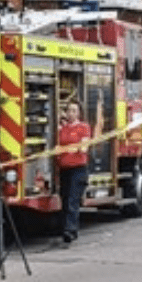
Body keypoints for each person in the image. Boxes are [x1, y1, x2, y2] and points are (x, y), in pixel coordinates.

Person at [57, 99, 91, 244]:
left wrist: (72, 148)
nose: (71, 113)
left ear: (79, 113)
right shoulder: (62, 129)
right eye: (69, 110)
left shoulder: (83, 127)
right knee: (65, 199)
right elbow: (57, 147)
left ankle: (70, 231)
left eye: (74, 111)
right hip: (64, 169)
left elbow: (84, 148)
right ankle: (68, 228)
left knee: (72, 199)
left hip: (78, 169)